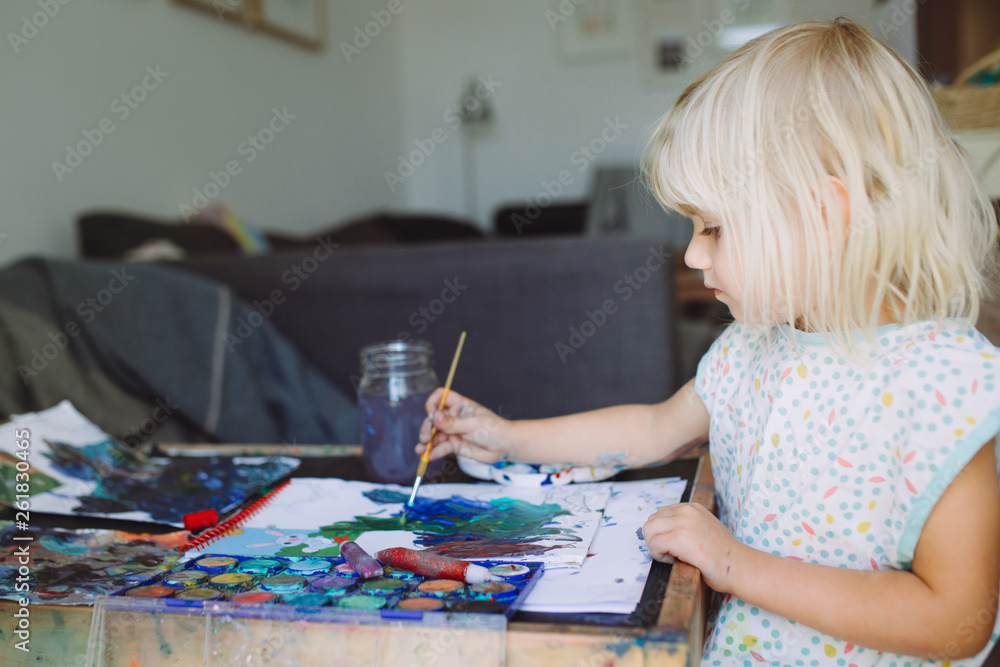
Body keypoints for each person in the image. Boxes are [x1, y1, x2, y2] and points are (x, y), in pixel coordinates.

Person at [417, 18, 1000, 666]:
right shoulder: (751, 349)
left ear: (827, 214)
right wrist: (506, 435)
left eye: (715, 227)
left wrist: (734, 563)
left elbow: (958, 621)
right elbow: (649, 427)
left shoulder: (944, 385)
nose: (693, 252)